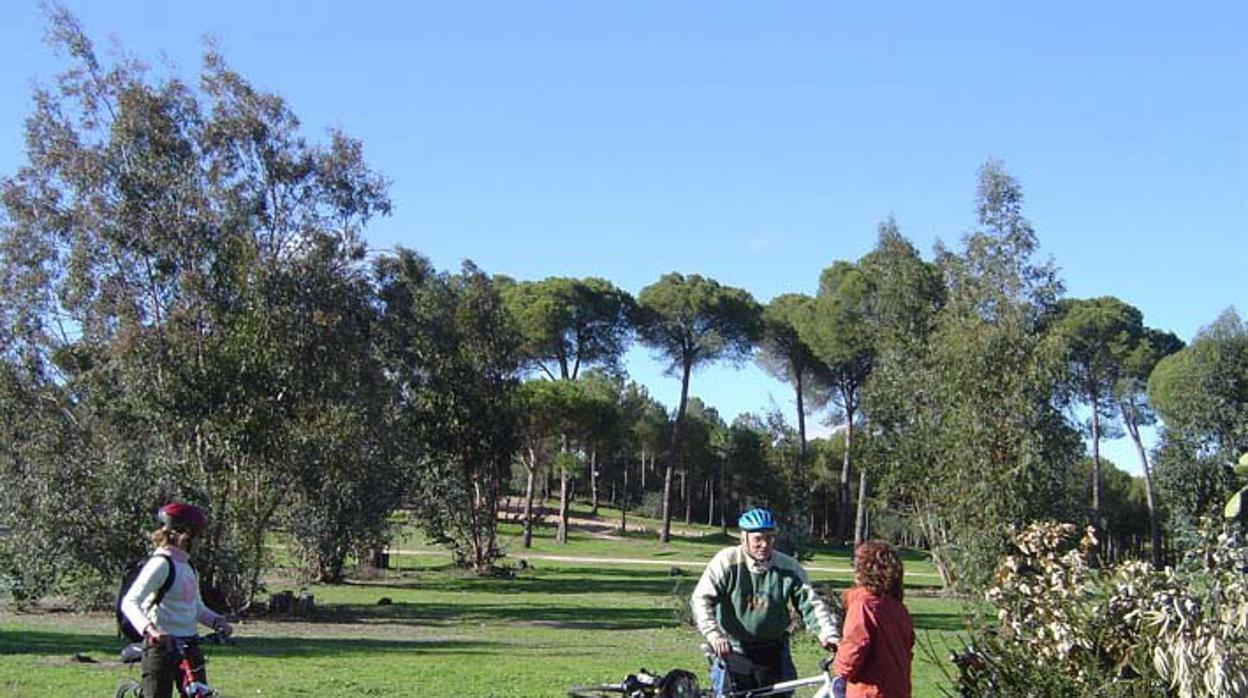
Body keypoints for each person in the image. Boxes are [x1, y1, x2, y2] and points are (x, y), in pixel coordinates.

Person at [691, 507, 841, 694]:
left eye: (769, 538)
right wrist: (714, 635)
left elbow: (811, 604)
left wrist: (828, 634)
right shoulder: (726, 561)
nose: (764, 544)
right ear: (743, 538)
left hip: (774, 652)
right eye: (758, 539)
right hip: (734, 651)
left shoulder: (788, 567)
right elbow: (701, 600)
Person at [120, 502, 233, 698]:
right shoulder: (161, 564)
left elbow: (195, 607)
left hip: (190, 644)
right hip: (161, 646)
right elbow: (130, 601)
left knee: (198, 694)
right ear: (181, 534)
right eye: (197, 535)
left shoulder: (188, 567)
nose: (200, 541)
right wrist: (151, 630)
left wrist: (217, 621)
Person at [831, 539, 914, 698]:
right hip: (898, 689)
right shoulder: (898, 608)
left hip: (869, 691)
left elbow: (853, 651)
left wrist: (839, 665)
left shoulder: (863, 605)